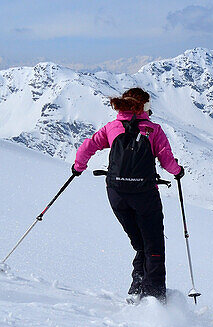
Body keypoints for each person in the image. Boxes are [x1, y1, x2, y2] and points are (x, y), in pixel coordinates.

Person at [71, 87, 183, 302]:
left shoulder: (112, 127)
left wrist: (78, 167)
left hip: (116, 194)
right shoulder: (153, 130)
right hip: (145, 195)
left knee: (140, 243)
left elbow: (87, 146)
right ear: (144, 107)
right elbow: (167, 161)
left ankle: (137, 288)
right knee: (154, 245)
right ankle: (155, 298)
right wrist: (178, 171)